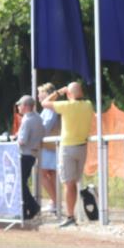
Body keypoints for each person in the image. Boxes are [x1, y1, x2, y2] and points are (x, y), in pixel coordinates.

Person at [40, 82, 94, 227]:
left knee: (68, 184)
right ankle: (72, 214)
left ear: (69, 94)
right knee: (73, 183)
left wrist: (58, 92)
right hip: (82, 147)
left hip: (67, 148)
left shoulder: (66, 106)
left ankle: (70, 216)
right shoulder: (88, 105)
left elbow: (45, 103)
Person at [15, 95, 42, 220]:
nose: (18, 107)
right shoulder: (38, 118)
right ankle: (27, 209)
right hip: (32, 154)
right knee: (23, 183)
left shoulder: (27, 120)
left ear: (25, 106)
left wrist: (15, 140)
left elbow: (23, 141)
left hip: (24, 154)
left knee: (20, 183)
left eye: (20, 105)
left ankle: (32, 207)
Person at [35, 82, 60, 213]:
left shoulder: (50, 108)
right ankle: (55, 201)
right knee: (50, 174)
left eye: (40, 93)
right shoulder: (49, 108)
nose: (38, 96)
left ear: (48, 94)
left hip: (49, 147)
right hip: (50, 147)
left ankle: (55, 201)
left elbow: (46, 127)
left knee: (42, 174)